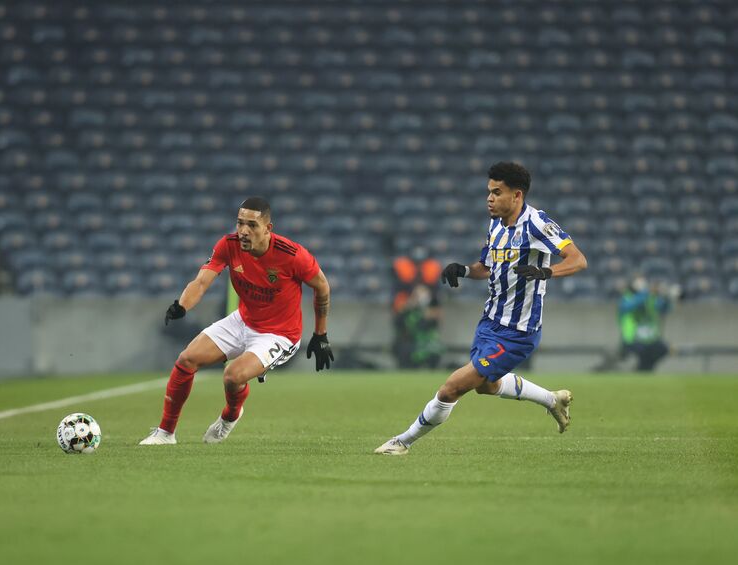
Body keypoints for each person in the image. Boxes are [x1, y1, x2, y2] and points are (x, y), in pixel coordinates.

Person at [375, 162, 588, 455]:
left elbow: (578, 260)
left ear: (517, 195)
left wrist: (547, 273)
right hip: (489, 322)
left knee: (452, 387)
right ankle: (553, 400)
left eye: (497, 192)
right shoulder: (495, 225)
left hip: (518, 331)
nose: (489, 198)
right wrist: (462, 270)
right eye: (488, 192)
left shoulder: (537, 223)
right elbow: (486, 268)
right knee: (486, 386)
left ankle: (402, 442)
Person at [140, 197, 334, 445]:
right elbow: (201, 282)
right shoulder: (228, 245)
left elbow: (322, 286)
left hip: (279, 334)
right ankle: (166, 433)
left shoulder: (292, 255)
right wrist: (182, 306)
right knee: (186, 359)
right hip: (242, 321)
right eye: (240, 223)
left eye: (252, 225)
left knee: (232, 376)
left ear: (268, 228)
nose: (243, 231)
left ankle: (229, 417)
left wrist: (321, 334)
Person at [617, 275, 676, 372]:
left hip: (649, 336)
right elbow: (627, 307)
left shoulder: (649, 297)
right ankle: (642, 369)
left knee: (663, 349)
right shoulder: (628, 297)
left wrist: (667, 298)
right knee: (643, 352)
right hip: (631, 337)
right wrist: (646, 294)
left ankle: (644, 369)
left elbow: (663, 308)